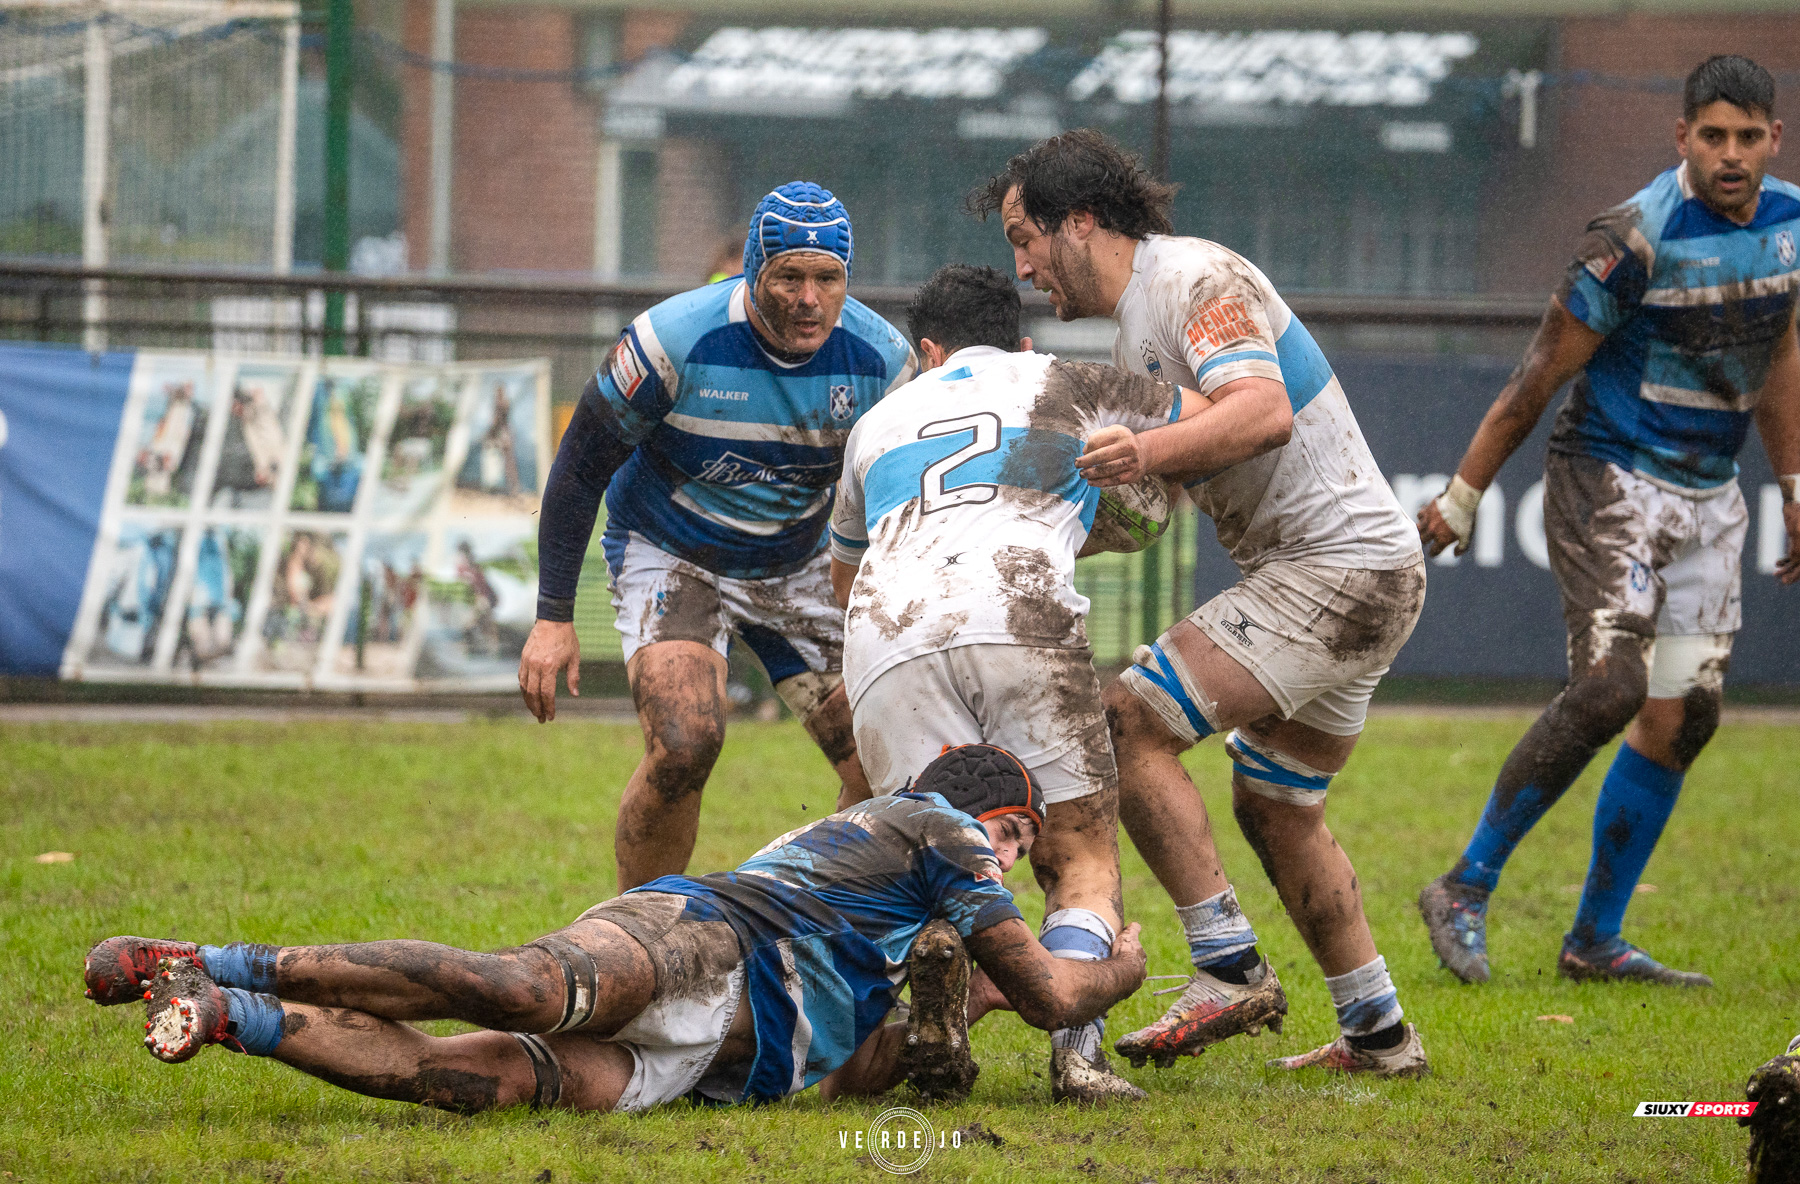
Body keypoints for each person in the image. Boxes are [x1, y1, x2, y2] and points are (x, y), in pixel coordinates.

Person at [973, 129, 1429, 1077]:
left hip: (1335, 568)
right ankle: (1380, 1035)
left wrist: (1141, 452)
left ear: (1082, 222)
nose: (1021, 266)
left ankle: (1225, 966)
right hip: (1360, 572)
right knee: (1278, 805)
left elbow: (1261, 412)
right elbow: (1154, 504)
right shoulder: (1138, 324)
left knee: (1125, 720)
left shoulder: (1193, 279)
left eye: (1026, 237)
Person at [81, 746, 1147, 1114]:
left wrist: (941, 1021)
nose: (1009, 864)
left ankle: (228, 1014)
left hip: (705, 1065)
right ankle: (201, 956)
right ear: (986, 814)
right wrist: (1116, 971)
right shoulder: (940, 824)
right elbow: (1061, 992)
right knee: (519, 988)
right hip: (704, 936)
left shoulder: (909, 926)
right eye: (1017, 839)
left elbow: (846, 1078)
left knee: (480, 1083)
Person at [1416, 55, 1800, 987]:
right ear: (1682, 139)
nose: (1733, 154)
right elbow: (1536, 375)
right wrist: (1463, 496)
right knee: (1611, 689)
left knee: (1688, 715)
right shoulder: (1629, 240)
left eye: (1749, 136)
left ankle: (1594, 939)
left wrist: (1795, 483)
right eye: (1713, 135)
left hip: (1711, 495)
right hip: (1608, 479)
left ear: (1774, 140)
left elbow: (1778, 350)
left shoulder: (1791, 225)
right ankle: (1464, 886)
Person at [832, 264, 1194, 1102]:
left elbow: (844, 581)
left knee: (931, 858)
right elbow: (1216, 419)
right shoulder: (1061, 378)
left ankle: (936, 995)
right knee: (1080, 858)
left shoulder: (879, 422)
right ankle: (1077, 1058)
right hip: (1019, 611)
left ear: (927, 352)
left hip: (886, 637)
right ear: (1021, 340)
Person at [517, 183, 918, 891]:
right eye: (788, 277)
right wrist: (553, 616)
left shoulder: (881, 362)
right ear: (751, 273)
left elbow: (907, 496)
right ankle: (637, 943)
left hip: (800, 564)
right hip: (673, 554)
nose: (808, 298)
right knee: (684, 743)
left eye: (828, 279)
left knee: (889, 767)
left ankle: (825, 928)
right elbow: (580, 469)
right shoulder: (671, 341)